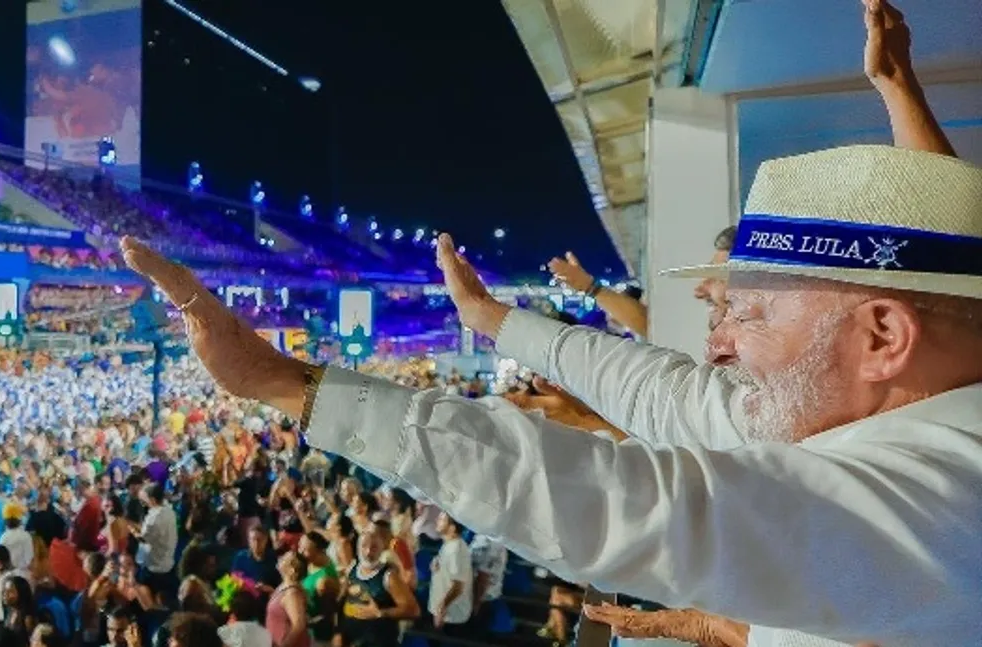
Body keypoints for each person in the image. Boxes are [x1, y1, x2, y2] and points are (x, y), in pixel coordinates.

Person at [121, 145, 982, 647]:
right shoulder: (877, 418)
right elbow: (666, 391)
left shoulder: (953, 498)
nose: (715, 344)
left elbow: (630, 501)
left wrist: (285, 383)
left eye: (746, 314)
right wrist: (496, 318)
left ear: (881, 337)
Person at [337, 528, 418, 647]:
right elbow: (342, 601)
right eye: (364, 546)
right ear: (358, 547)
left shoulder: (389, 576)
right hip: (353, 640)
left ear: (382, 548)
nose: (368, 551)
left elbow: (413, 610)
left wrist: (381, 613)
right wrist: (338, 633)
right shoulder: (352, 569)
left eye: (374, 547)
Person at [427, 513, 471, 636]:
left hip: (451, 617)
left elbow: (458, 586)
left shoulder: (456, 549)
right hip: (446, 614)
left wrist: (441, 610)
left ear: (452, 527)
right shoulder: (449, 544)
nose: (437, 520)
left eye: (441, 520)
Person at [134, 484, 177, 595]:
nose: (142, 503)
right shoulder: (168, 510)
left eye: (144, 500)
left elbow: (143, 539)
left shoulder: (154, 519)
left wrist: (132, 529)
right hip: (168, 563)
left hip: (155, 569)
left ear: (152, 500)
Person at [265, 552, 309, 647]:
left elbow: (299, 625)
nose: (280, 557)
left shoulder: (292, 594)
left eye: (285, 559)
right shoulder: (284, 587)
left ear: (291, 571)